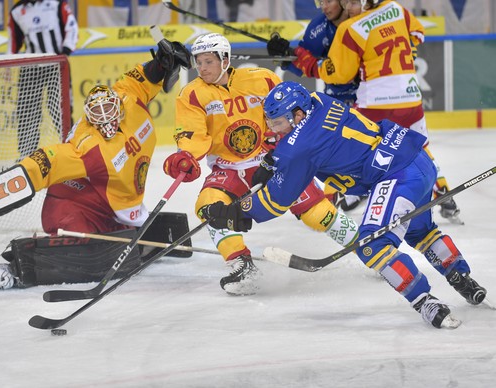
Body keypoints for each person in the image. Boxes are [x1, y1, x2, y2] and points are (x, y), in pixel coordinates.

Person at [201, 81, 488, 328]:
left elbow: (276, 201)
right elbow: (311, 138)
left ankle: (425, 301)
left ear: (298, 114)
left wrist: (235, 213)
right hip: (416, 159)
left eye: (277, 123)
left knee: (370, 245)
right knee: (420, 232)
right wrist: (273, 159)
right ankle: (461, 277)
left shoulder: (299, 148)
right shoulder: (317, 99)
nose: (272, 129)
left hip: (396, 174)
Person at [0, 40, 193, 289]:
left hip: (111, 204)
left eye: (109, 109)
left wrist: (162, 63)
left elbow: (141, 79)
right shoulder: (88, 145)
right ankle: (15, 266)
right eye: (98, 115)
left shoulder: (130, 99)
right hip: (73, 205)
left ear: (119, 105)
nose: (106, 119)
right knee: (83, 248)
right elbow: (51, 160)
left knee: (122, 245)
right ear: (88, 117)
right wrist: (15, 180)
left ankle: (120, 232)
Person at [162, 33, 359, 296]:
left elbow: (288, 115)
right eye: (199, 62)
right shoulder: (193, 94)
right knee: (210, 206)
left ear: (225, 59)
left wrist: (284, 142)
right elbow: (192, 134)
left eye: (209, 61)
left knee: (316, 213)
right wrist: (186, 155)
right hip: (229, 168)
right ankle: (242, 265)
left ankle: (369, 243)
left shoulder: (261, 78)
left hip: (273, 160)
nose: (203, 68)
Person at [285, 0, 463, 223]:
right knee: (420, 147)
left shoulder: (350, 28)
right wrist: (402, 48)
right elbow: (417, 32)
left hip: (377, 103)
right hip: (410, 98)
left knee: (349, 146)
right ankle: (444, 193)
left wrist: (308, 63)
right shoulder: (394, 8)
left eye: (352, 2)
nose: (348, 8)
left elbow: (338, 74)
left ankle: (332, 200)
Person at [267, 0, 364, 211]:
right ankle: (342, 192)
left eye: (328, 1)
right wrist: (285, 55)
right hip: (337, 98)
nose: (324, 7)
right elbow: (302, 61)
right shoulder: (318, 27)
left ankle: (434, 184)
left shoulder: (363, 21)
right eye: (320, 2)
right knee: (330, 150)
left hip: (367, 95)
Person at [8, 0, 79, 158]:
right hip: (30, 67)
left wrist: (65, 52)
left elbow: (72, 27)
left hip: (57, 63)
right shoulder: (17, 10)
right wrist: (8, 64)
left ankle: (73, 150)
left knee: (62, 109)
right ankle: (27, 155)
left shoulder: (57, 3)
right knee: (27, 111)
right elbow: (13, 40)